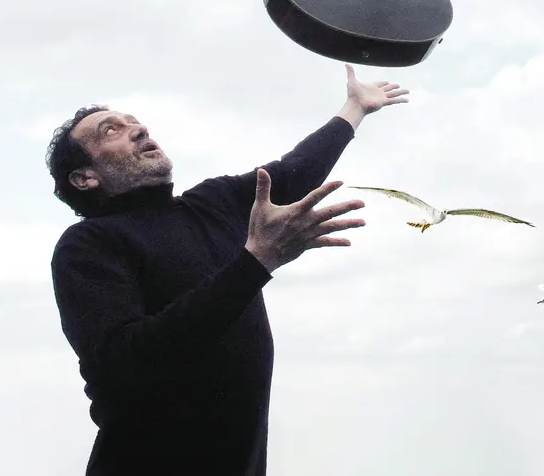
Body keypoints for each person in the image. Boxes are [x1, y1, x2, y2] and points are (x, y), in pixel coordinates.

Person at [47, 64, 409, 476]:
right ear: (84, 178)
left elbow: (293, 172)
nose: (139, 128)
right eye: (111, 130)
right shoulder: (87, 246)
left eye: (135, 121)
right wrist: (256, 263)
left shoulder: (213, 202)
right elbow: (127, 362)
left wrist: (354, 108)